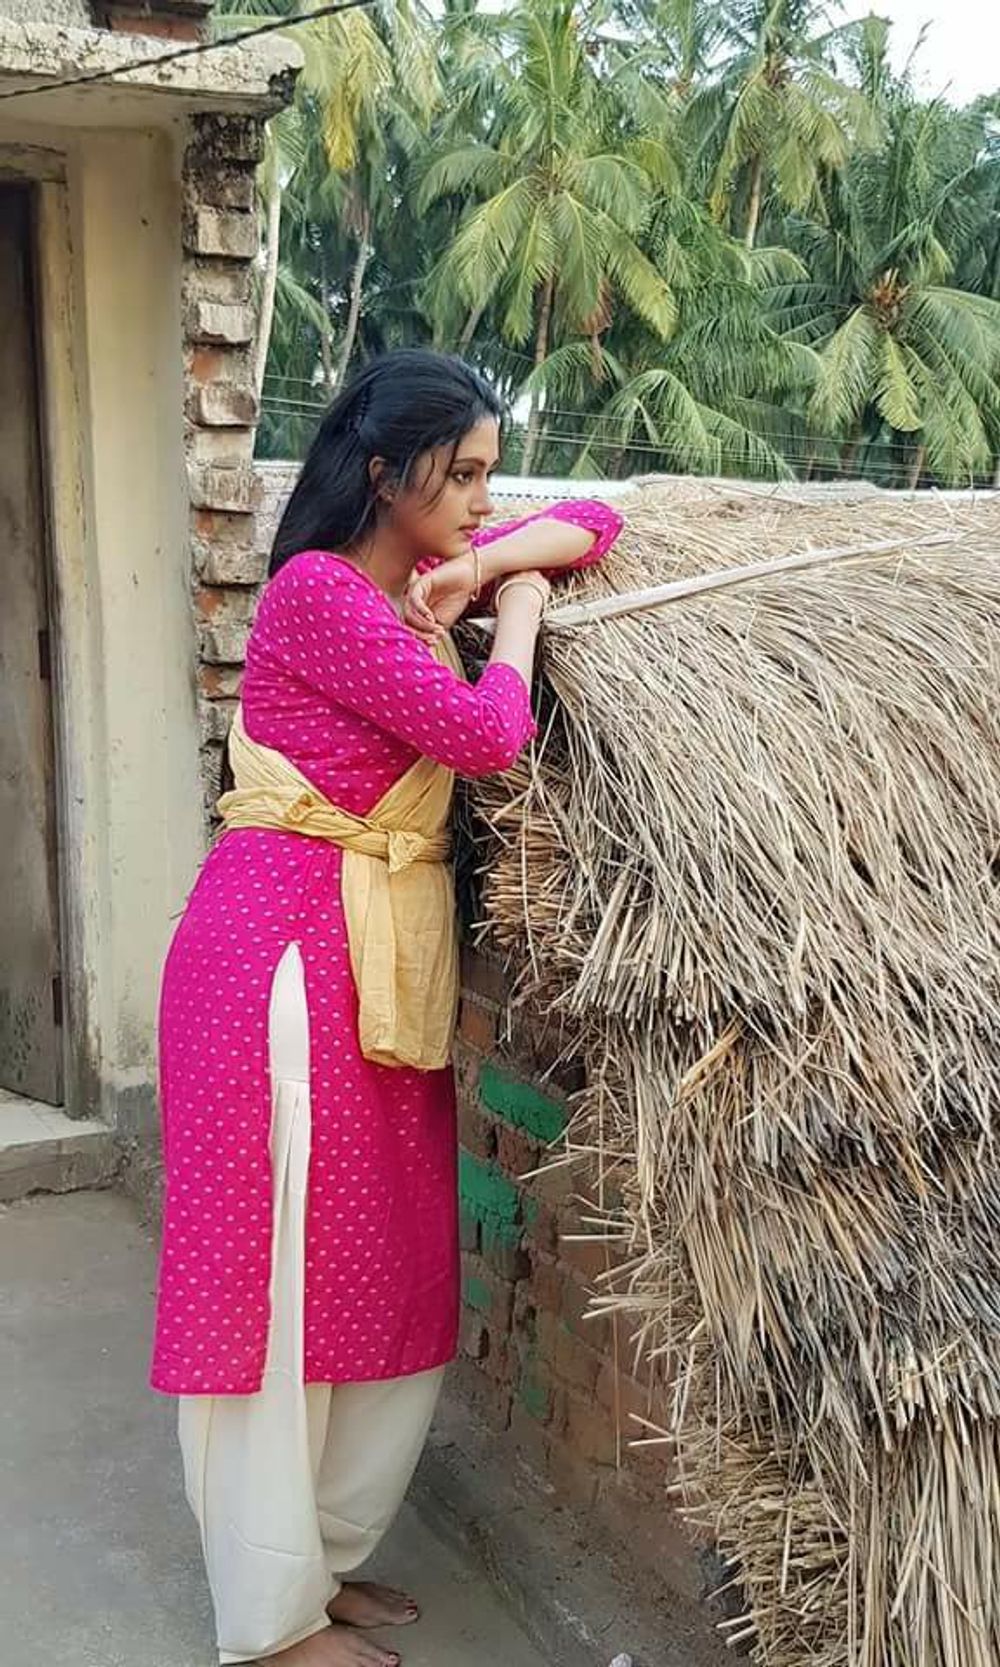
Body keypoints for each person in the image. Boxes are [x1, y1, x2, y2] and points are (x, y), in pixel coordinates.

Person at [151, 348, 623, 1667]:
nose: (482, 498)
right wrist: (513, 613)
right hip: (278, 965)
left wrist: (483, 568)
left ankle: (314, 1563)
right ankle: (270, 1622)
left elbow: (599, 520)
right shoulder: (318, 593)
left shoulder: (408, 590)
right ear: (382, 473)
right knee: (272, 1283)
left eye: (488, 474)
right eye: (460, 475)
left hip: (363, 967)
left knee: (376, 1259)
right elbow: (485, 735)